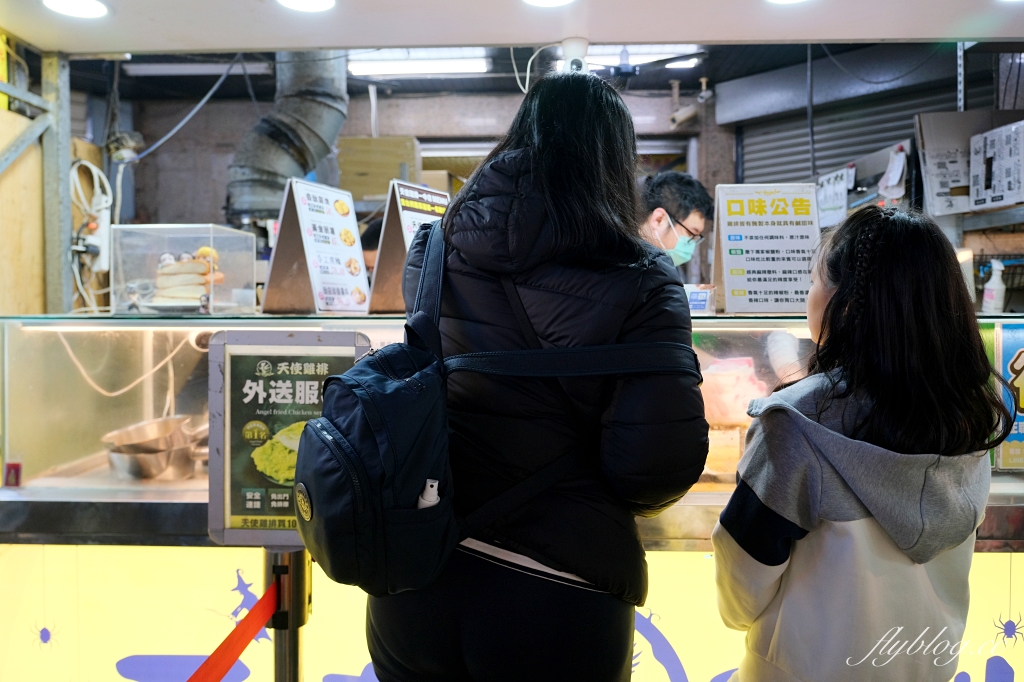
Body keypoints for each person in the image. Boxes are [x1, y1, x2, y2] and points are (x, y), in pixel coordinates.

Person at [367, 72, 709, 682]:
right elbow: (654, 466)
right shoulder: (645, 278)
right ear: (615, 161)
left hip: (417, 574)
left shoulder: (435, 248)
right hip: (560, 592)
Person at [712, 205, 1012, 682]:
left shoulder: (795, 421)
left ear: (845, 305)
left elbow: (741, 588)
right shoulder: (974, 409)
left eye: (813, 281)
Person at [640, 171, 713, 267]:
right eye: (690, 234)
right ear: (659, 219)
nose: (692, 246)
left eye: (696, 238)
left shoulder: (653, 264)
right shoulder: (618, 258)